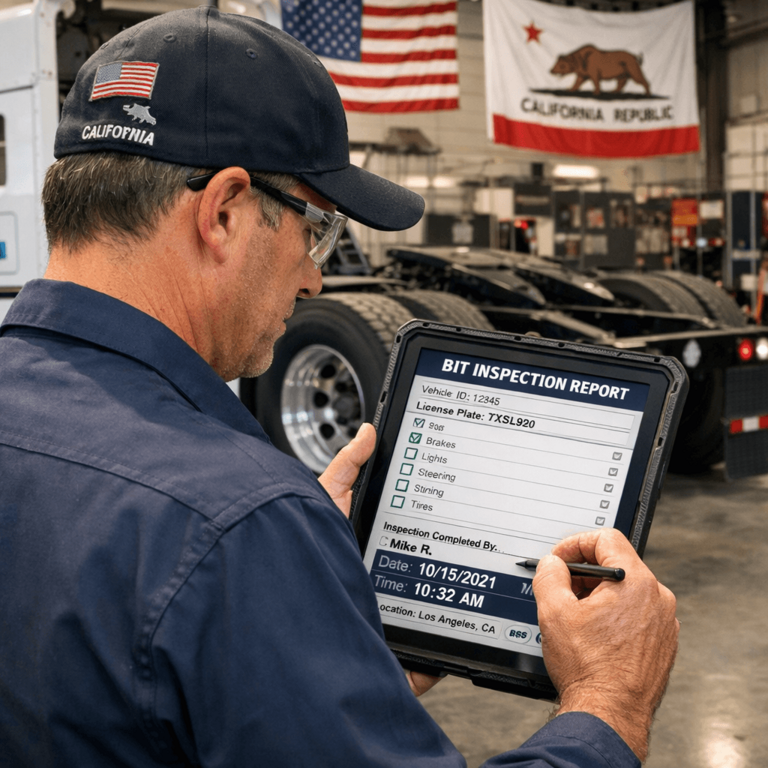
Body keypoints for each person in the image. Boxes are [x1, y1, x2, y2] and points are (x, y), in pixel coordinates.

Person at [0, 7, 678, 767]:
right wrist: (609, 703)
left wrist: (302, 645)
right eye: (314, 228)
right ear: (223, 212)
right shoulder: (239, 525)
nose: (316, 275)